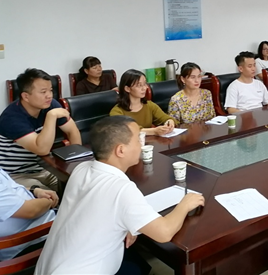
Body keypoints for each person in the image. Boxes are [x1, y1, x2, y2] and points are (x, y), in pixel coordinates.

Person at [34, 115, 205, 275]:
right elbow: (164, 233)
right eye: (137, 139)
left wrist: (128, 222)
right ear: (121, 150)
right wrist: (185, 204)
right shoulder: (121, 189)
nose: (141, 144)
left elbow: (98, 209)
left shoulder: (82, 169)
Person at [0, 68, 82, 191]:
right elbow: (41, 149)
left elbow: (72, 130)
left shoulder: (50, 104)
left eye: (51, 90)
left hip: (44, 167)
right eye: (43, 92)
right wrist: (51, 117)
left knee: (77, 186)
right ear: (26, 96)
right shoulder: (12, 118)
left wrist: (76, 163)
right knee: (49, 198)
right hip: (15, 173)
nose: (49, 95)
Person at [0, 124, 57, 262]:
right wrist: (49, 202)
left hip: (41, 226)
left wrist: (35, 190)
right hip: (27, 242)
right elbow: (31, 211)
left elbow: (10, 189)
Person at [110, 69, 176, 135]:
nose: (144, 88)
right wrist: (154, 131)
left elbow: (166, 118)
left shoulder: (149, 105)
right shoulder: (117, 111)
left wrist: (169, 122)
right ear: (127, 88)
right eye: (139, 85)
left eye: (144, 84)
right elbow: (127, 130)